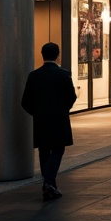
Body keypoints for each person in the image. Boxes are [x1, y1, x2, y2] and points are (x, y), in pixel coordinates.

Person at [20, 42, 77, 200]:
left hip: (40, 119)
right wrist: (64, 109)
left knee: (44, 150)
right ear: (58, 55)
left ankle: (49, 183)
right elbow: (71, 97)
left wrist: (36, 112)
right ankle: (49, 182)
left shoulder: (34, 75)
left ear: (42, 54)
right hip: (59, 118)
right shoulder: (64, 74)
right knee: (58, 149)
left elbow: (25, 101)